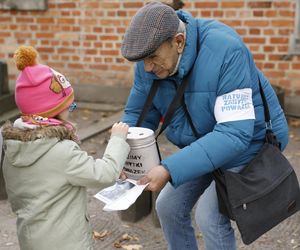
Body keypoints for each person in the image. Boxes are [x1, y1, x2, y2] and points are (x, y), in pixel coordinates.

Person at [121, 2, 289, 250]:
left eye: (153, 58)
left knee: (209, 217)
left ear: (178, 42)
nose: (147, 68)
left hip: (250, 142)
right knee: (167, 206)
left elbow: (234, 134)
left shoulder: (226, 50)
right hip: (204, 141)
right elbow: (138, 115)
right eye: (143, 60)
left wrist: (168, 169)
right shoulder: (150, 60)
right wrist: (123, 156)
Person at [1, 46, 130, 250]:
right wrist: (118, 139)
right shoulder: (61, 151)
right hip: (67, 243)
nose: (72, 109)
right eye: (69, 105)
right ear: (53, 112)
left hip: (30, 240)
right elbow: (104, 175)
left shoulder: (11, 147)